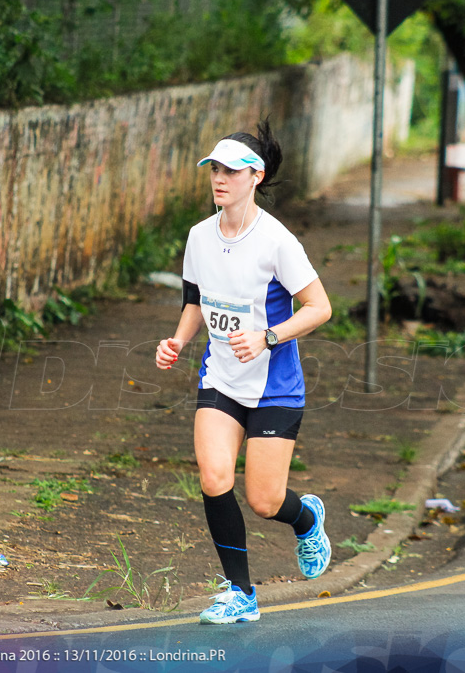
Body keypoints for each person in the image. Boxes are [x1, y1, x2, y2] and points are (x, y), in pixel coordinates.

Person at [155, 121, 332, 624]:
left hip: (275, 388)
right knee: (214, 478)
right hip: (221, 379)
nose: (219, 178)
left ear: (255, 176)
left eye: (230, 169)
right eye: (214, 168)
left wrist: (268, 336)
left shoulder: (278, 241)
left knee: (263, 499)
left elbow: (319, 307)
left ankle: (307, 517)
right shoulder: (199, 237)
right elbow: (196, 301)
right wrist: (178, 341)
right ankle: (240, 593)